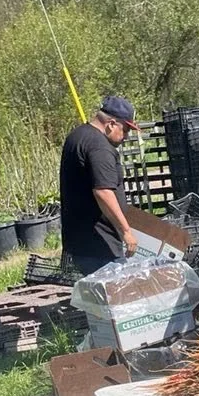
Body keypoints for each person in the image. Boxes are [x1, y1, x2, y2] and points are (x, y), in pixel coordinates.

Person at [59, 95, 140, 275]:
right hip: (100, 245)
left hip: (81, 241)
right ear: (111, 124)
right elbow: (103, 192)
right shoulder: (99, 147)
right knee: (116, 291)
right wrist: (126, 231)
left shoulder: (77, 135)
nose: (126, 136)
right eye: (126, 129)